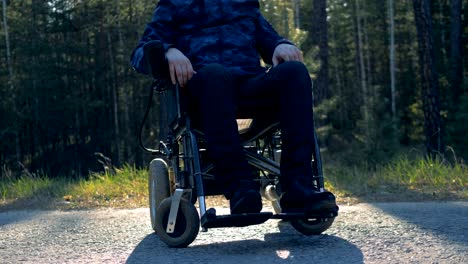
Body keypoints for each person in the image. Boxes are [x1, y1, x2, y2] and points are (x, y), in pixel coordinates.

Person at [131, 0, 337, 215]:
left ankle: (299, 189)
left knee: (294, 72)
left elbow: (267, 36)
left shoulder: (242, 3)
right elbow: (139, 54)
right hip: (204, 91)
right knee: (214, 74)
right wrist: (167, 51)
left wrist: (279, 44)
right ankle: (240, 187)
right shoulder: (174, 4)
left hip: (249, 86)